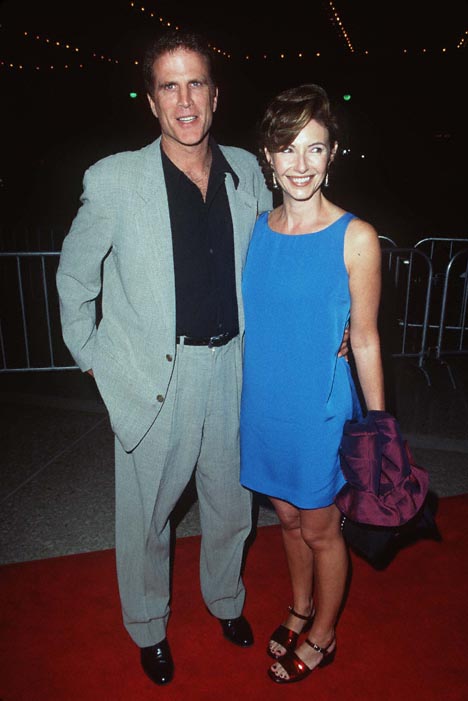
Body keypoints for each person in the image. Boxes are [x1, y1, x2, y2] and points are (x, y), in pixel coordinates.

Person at [56, 30, 273, 686]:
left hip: (232, 369)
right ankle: (149, 624)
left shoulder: (246, 169)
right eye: (169, 85)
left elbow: (274, 258)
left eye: (196, 83)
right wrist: (94, 358)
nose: (185, 99)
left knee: (233, 505)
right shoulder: (115, 178)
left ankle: (225, 600)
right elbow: (74, 278)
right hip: (155, 375)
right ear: (151, 101)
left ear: (215, 94)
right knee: (147, 514)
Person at [239, 83, 385, 684]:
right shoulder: (255, 230)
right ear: (268, 158)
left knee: (321, 526)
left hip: (319, 409)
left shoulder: (356, 237)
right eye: (287, 149)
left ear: (332, 155)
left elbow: (369, 338)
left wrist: (380, 427)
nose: (301, 164)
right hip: (263, 405)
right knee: (287, 518)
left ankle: (323, 634)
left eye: (315, 149)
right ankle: (299, 607)